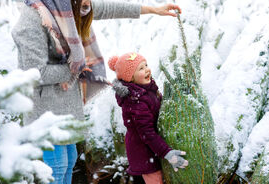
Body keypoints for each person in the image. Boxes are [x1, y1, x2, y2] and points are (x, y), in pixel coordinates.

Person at [12, 0, 182, 183]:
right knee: (57, 167)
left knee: (69, 162)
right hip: (45, 107)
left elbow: (106, 8)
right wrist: (74, 69)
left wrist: (153, 9)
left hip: (65, 103)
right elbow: (33, 73)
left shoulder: (71, 8)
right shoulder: (34, 18)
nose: (88, 3)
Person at [108, 52, 189, 184]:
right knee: (156, 180)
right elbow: (147, 133)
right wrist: (167, 153)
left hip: (154, 146)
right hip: (143, 151)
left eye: (146, 65)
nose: (147, 70)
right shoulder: (134, 101)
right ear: (130, 79)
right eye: (141, 69)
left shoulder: (147, 88)